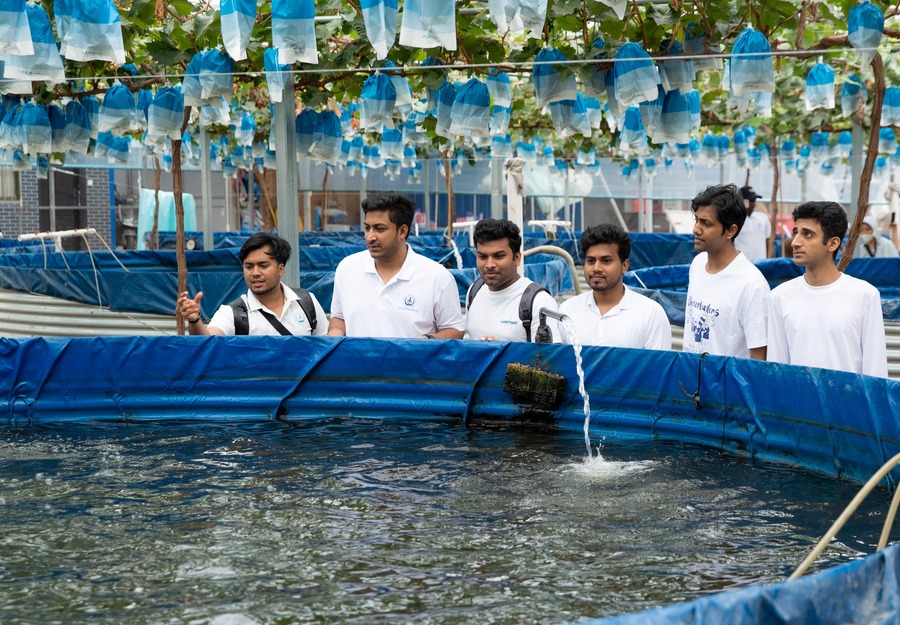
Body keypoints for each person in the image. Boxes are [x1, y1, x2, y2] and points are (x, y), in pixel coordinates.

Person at [768, 201, 887, 378]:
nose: (795, 242)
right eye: (796, 232)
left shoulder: (865, 296)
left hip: (848, 404)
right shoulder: (779, 297)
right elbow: (776, 369)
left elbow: (876, 372)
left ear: (832, 243)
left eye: (807, 234)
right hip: (798, 404)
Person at [327, 192, 465, 339]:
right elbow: (338, 317)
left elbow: (455, 330)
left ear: (402, 231)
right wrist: (334, 337)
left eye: (379, 229)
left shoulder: (437, 277)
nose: (370, 237)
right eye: (367, 228)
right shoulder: (347, 269)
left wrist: (427, 341)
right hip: (356, 362)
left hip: (411, 363)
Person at [177, 232, 327, 336]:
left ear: (280, 269)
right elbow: (208, 342)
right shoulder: (232, 313)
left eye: (263, 265)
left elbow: (327, 346)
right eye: (249, 267)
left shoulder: (307, 303)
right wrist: (194, 320)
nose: (255, 273)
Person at [683, 184, 769, 360]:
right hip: (690, 383)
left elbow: (759, 360)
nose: (696, 229)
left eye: (706, 223)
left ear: (731, 231)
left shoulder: (752, 285)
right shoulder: (697, 265)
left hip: (725, 387)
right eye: (696, 220)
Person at [559, 224, 671, 350]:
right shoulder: (567, 310)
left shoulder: (650, 314)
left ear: (625, 266)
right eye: (591, 261)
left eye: (606, 261)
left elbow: (659, 367)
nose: (596, 268)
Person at [465, 218, 560, 342]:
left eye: (498, 256)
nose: (489, 264)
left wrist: (503, 354)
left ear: (516, 258)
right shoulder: (474, 291)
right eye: (482, 256)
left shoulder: (539, 302)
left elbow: (550, 359)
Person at [734, 185, 771, 262]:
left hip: (761, 264)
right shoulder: (734, 220)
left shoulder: (763, 218)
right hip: (742, 264)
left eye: (754, 200)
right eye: (750, 200)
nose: (753, 203)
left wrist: (768, 260)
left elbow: (768, 241)